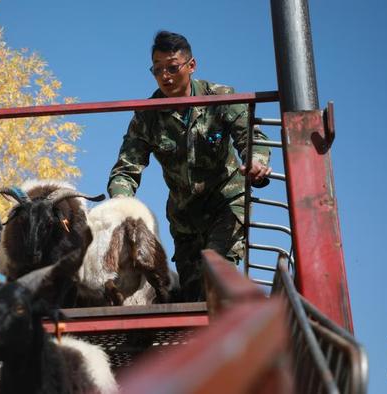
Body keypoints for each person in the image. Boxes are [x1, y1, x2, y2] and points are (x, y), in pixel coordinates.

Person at [107, 31, 272, 302]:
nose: (165, 76)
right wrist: (121, 203)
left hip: (225, 203)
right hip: (185, 219)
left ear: (191, 66)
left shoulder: (220, 98)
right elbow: (126, 168)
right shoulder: (147, 116)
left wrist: (257, 162)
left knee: (215, 274)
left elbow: (251, 137)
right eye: (157, 70)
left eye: (173, 68)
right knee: (192, 297)